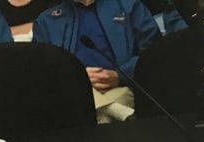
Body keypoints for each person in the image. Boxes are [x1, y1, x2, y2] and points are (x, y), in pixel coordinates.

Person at [32, 0, 160, 122]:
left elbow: (154, 55)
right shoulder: (46, 21)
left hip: (121, 87)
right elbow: (43, 73)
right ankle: (118, 111)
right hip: (72, 95)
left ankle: (113, 109)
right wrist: (79, 79)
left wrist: (119, 76)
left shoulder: (128, 5)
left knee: (98, 116)